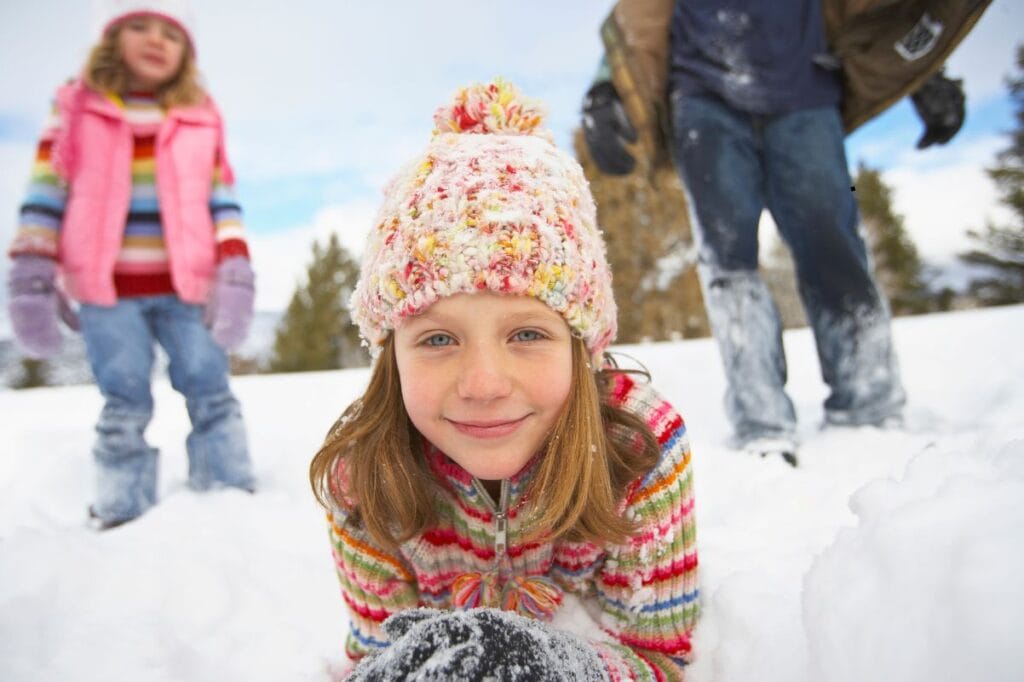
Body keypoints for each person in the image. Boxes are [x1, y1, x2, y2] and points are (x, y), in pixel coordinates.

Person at [309, 79, 699, 680]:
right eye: (438, 339)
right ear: (391, 356)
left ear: (582, 347)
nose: (484, 384)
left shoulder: (637, 451)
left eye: (527, 334)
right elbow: (376, 656)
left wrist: (551, 667)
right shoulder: (363, 479)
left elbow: (657, 656)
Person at [581, 0, 988, 465]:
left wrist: (925, 72)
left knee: (835, 249)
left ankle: (870, 407)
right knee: (728, 262)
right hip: (702, 100)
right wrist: (605, 88)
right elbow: (638, 14)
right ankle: (762, 424)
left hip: (806, 93)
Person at [6, 0, 256, 529]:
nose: (156, 39)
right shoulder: (76, 108)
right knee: (124, 399)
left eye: (171, 32)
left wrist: (234, 266)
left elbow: (222, 196)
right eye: (139, 26)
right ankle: (121, 508)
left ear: (185, 51)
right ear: (109, 38)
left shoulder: (200, 115)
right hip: (107, 292)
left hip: (189, 288)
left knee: (210, 388)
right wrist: (33, 265)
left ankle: (229, 494)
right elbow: (47, 187)